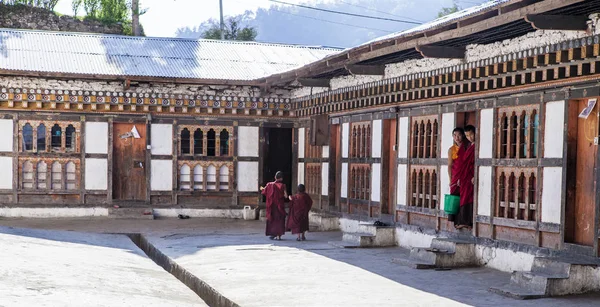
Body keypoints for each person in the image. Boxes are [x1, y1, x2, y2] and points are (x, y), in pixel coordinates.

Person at [447, 127, 469, 224]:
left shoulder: (467, 147)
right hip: (455, 177)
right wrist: (450, 179)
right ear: (452, 136)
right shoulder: (451, 150)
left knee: (465, 197)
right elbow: (450, 165)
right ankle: (455, 221)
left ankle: (464, 220)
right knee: (455, 198)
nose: (457, 137)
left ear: (463, 135)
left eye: (459, 135)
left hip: (465, 176)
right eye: (455, 135)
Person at [455, 125, 476, 230]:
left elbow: (475, 163)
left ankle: (468, 222)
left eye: (471, 134)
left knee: (469, 198)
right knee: (463, 198)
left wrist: (474, 175)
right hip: (464, 176)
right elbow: (463, 163)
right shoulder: (469, 146)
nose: (470, 137)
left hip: (471, 177)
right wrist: (459, 178)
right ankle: (463, 220)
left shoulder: (476, 146)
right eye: (467, 135)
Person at [260, 171, 288, 240]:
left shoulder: (269, 185)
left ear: (275, 177)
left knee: (273, 220)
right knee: (280, 220)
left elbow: (264, 191)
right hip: (279, 206)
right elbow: (286, 196)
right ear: (281, 179)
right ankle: (279, 235)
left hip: (272, 206)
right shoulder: (283, 186)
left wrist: (262, 188)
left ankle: (273, 234)